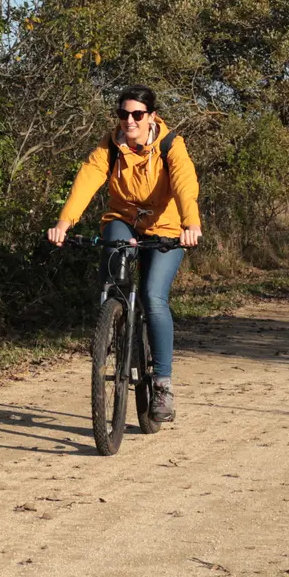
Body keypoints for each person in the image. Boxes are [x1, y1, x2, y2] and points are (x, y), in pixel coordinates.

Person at [46, 85, 202, 422]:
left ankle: (162, 384)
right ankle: (111, 328)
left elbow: (184, 184)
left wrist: (191, 224)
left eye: (137, 115)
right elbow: (87, 180)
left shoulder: (170, 145)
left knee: (152, 295)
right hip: (124, 220)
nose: (129, 121)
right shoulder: (111, 145)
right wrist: (64, 222)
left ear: (151, 117)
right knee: (113, 265)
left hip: (168, 227)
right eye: (123, 114)